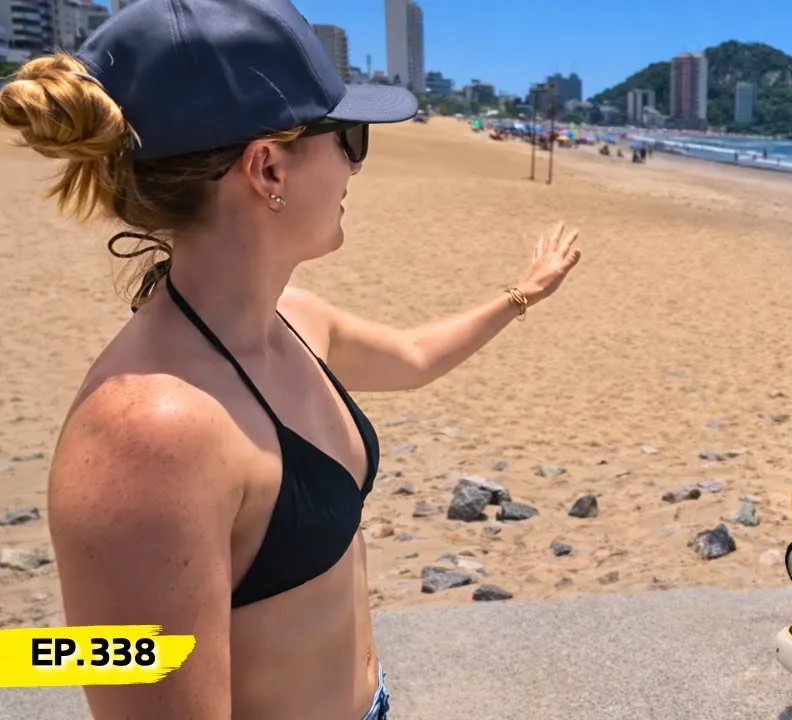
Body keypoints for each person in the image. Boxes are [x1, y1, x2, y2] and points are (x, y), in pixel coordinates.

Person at [0, 0, 582, 718]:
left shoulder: (295, 320)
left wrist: (523, 294)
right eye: (350, 138)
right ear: (268, 167)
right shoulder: (146, 435)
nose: (356, 166)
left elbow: (413, 358)